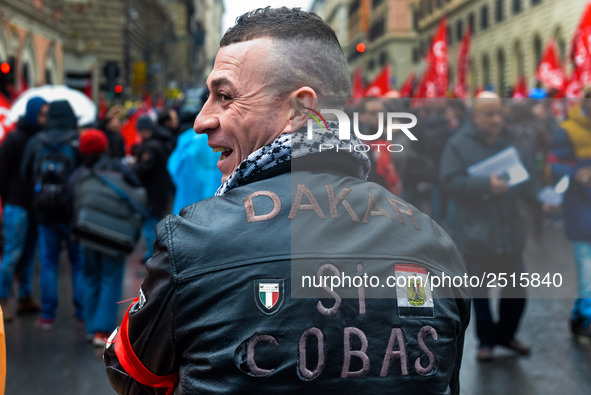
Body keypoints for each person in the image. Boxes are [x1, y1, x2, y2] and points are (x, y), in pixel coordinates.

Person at [105, 7, 469, 394]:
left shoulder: (192, 241)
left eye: (225, 96)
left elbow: (131, 373)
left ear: (300, 109)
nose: (201, 120)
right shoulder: (433, 240)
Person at [440, 92, 542, 361]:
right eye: (489, 114)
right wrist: (486, 185)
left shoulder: (513, 142)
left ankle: (507, 336)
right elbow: (449, 181)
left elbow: (527, 181)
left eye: (499, 113)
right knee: (480, 294)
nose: (497, 119)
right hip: (476, 233)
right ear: (475, 116)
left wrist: (543, 199)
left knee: (516, 291)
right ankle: (486, 341)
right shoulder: (458, 144)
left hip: (509, 231)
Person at [71, 129, 141, 346]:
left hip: (87, 232)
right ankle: (102, 331)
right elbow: (138, 194)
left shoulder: (80, 173)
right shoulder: (119, 167)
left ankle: (91, 327)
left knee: (91, 276)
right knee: (110, 278)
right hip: (115, 234)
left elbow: (70, 198)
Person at [21, 100, 84, 330]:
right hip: (72, 212)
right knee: (77, 262)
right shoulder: (76, 142)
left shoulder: (37, 142)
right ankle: (80, 313)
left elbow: (25, 173)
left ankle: (47, 315)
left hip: (45, 212)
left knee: (48, 262)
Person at [0, 97, 47, 321]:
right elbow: (3, 173)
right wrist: (10, 198)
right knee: (12, 254)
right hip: (17, 206)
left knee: (29, 254)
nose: (44, 119)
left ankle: (25, 297)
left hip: (32, 206)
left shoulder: (41, 139)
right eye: (41, 114)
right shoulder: (14, 138)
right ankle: (2, 300)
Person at [549, 89, 591, 340]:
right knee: (586, 268)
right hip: (580, 208)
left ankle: (578, 315)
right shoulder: (566, 129)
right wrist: (577, 173)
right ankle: (585, 319)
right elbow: (554, 167)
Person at [132, 115, 172, 262]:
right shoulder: (162, 142)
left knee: (149, 225)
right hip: (161, 189)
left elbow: (145, 169)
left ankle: (152, 256)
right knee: (156, 223)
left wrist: (133, 167)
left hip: (152, 192)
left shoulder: (150, 147)